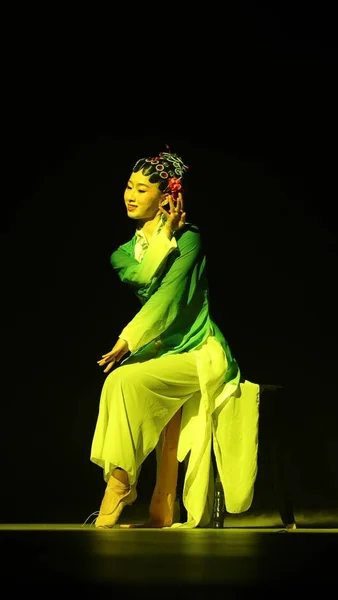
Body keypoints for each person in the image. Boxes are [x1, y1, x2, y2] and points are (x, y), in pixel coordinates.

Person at [90, 147, 260, 529]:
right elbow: (142, 278)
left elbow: (167, 297)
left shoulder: (190, 240)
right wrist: (163, 234)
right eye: (128, 187)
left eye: (141, 189)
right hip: (161, 349)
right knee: (120, 384)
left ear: (166, 198)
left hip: (199, 350)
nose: (130, 196)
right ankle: (138, 494)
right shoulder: (122, 253)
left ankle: (119, 491)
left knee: (126, 378)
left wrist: (127, 339)